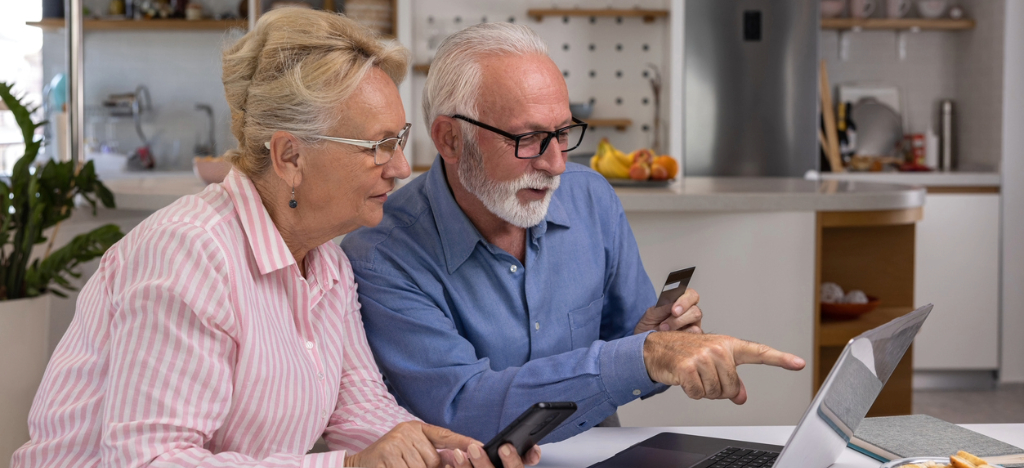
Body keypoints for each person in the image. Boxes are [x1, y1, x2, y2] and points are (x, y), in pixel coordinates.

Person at [12, 9, 537, 468]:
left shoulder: (327, 261)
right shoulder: (188, 252)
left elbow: (358, 408)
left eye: (398, 140)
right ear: (289, 157)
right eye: (377, 146)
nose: (400, 167)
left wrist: (453, 451)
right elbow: (151, 459)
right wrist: (351, 466)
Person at [340, 22, 806, 444]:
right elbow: (462, 407)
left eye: (563, 133)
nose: (556, 164)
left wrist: (664, 342)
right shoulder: (381, 252)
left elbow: (633, 348)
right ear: (449, 139)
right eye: (528, 139)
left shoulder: (590, 197)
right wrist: (642, 356)